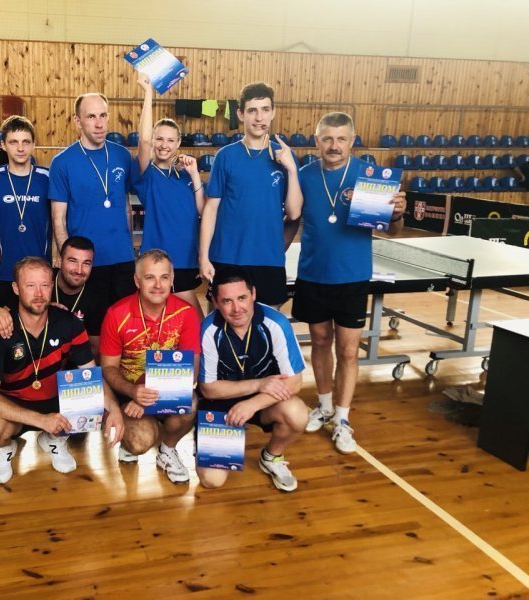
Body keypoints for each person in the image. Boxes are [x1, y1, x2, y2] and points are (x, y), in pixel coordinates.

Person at [294, 112, 406, 454]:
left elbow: (392, 230)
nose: (334, 145)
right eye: (327, 138)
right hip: (312, 274)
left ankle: (342, 419)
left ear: (352, 141)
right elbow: (290, 218)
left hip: (352, 276)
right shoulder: (303, 176)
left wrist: (397, 213)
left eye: (341, 139)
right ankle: (325, 405)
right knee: (319, 341)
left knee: (347, 351)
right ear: (317, 141)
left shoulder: (370, 176)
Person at [0, 257, 124, 484]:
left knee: (96, 404)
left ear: (52, 286)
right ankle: (5, 446)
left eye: (44, 285)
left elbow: (90, 376)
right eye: (30, 285)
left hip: (54, 401)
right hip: (14, 404)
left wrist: (114, 409)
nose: (38, 293)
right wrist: (41, 420)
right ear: (16, 288)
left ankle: (54, 439)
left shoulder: (70, 323)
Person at [197, 267, 308, 491]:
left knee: (297, 413)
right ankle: (206, 440)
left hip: (263, 401)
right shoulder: (209, 329)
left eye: (242, 298)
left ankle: (271, 457)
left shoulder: (275, 323)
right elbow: (208, 389)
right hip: (220, 403)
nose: (237, 308)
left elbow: (295, 381)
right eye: (227, 301)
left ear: (253, 294)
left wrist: (252, 404)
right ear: (215, 302)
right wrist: (258, 384)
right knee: (212, 480)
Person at [100, 249, 201, 484]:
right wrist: (133, 392)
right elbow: (108, 369)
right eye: (150, 278)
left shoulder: (186, 313)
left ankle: (167, 450)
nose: (158, 285)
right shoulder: (116, 314)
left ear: (172, 279)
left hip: (167, 391)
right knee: (139, 442)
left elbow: (192, 370)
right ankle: (134, 435)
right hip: (127, 394)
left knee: (192, 403)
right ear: (137, 281)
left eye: (164, 277)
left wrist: (147, 400)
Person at [199, 82, 303, 307]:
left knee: (266, 324)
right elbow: (211, 209)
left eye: (265, 110)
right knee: (223, 324)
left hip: (269, 258)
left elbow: (294, 212)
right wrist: (203, 256)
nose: (259, 117)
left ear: (273, 112)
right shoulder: (225, 156)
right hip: (227, 257)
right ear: (240, 114)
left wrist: (292, 170)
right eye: (252, 110)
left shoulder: (285, 156)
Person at [49, 92, 136, 308]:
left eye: (103, 115)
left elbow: (126, 206)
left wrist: (129, 248)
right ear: (78, 121)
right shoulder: (62, 162)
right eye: (91, 117)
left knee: (123, 323)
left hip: (122, 259)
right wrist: (69, 263)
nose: (99, 124)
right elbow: (58, 219)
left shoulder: (123, 155)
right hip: (85, 264)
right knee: (89, 325)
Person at [134, 74, 205, 319]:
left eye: (170, 140)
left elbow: (203, 211)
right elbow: (143, 141)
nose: (164, 145)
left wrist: (195, 175)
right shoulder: (147, 175)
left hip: (186, 260)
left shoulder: (185, 176)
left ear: (178, 143)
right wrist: (148, 93)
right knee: (187, 320)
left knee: (185, 322)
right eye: (160, 139)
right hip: (158, 262)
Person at [0, 116, 51, 307]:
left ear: (33, 144)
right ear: (3, 145)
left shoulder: (47, 177)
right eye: (13, 142)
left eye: (26, 142)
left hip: (40, 272)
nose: (20, 148)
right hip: (3, 273)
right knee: (5, 323)